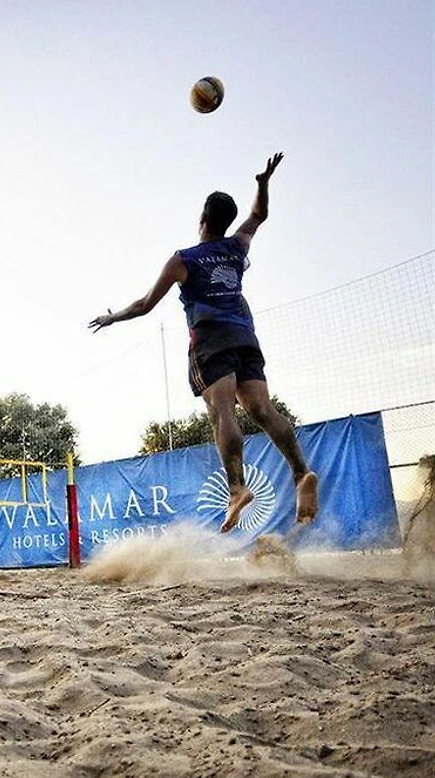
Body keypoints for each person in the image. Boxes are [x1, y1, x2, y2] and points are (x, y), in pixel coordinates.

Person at [88, 153, 318, 533]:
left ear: (202, 219)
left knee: (221, 411)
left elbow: (145, 305)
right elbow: (258, 215)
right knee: (262, 409)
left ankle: (236, 488)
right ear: (225, 222)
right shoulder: (236, 247)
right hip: (245, 336)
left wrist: (113, 317)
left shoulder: (184, 259)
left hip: (211, 338)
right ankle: (300, 473)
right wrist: (262, 184)